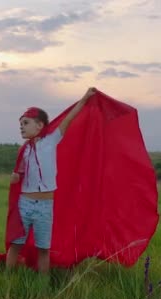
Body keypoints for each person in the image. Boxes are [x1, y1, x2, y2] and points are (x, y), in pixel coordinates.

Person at [6, 87, 96, 274]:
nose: (21, 127)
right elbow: (19, 175)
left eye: (25, 123)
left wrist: (85, 98)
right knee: (16, 244)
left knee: (43, 248)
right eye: (20, 124)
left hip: (45, 205)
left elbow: (69, 118)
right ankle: (7, 279)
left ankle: (43, 285)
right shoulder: (23, 151)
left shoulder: (51, 140)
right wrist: (14, 178)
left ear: (39, 125)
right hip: (25, 203)